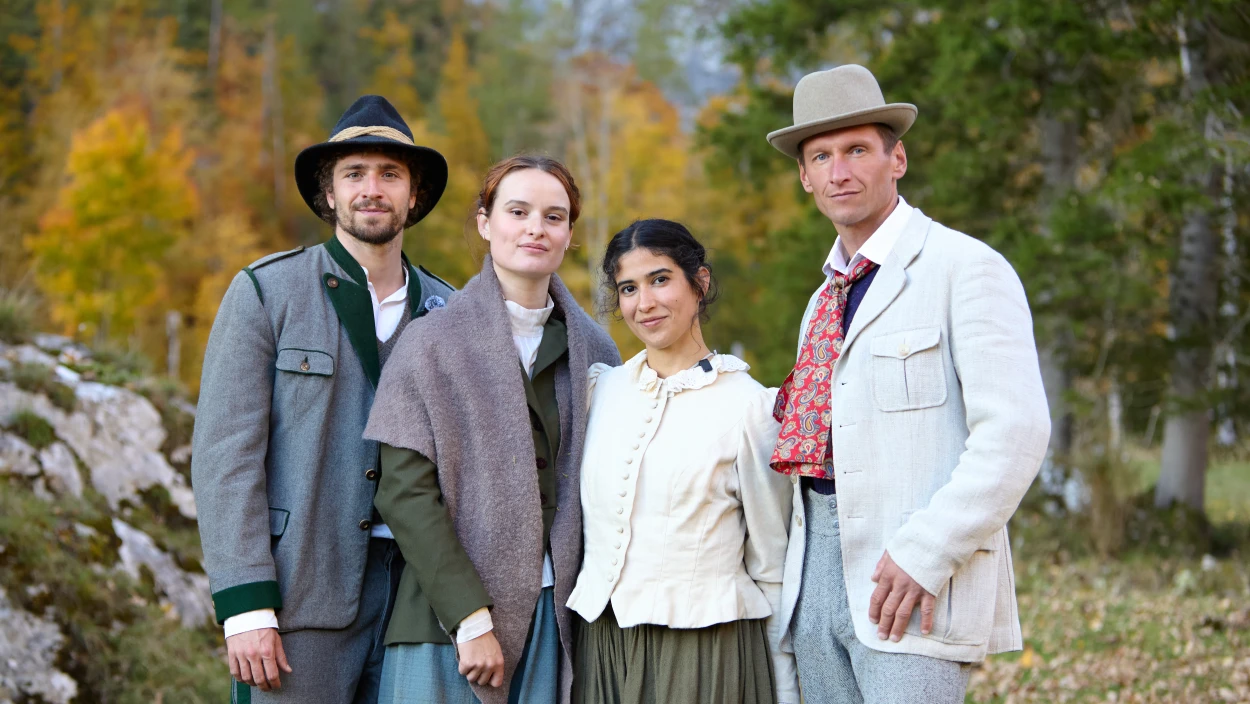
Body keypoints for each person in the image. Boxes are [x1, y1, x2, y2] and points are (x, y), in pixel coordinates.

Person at [764, 64, 1051, 702]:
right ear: (805, 177)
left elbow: (1017, 431)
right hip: (813, 578)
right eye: (822, 156)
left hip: (912, 582)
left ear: (897, 159)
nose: (840, 171)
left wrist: (927, 552)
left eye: (858, 149)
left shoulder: (966, 268)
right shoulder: (822, 300)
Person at [191, 95, 457, 703]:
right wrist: (246, 602)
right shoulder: (266, 291)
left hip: (420, 610)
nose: (373, 188)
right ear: (329, 194)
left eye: (391, 173)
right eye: (354, 173)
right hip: (298, 598)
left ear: (414, 195)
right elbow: (224, 457)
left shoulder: (451, 311)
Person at [363, 155, 621, 704]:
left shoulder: (597, 351)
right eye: (518, 211)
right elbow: (405, 493)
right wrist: (469, 617)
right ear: (485, 222)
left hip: (555, 620)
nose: (535, 228)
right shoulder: (430, 341)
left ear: (570, 233)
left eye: (554, 217)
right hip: (442, 623)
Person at [568, 219, 799, 704]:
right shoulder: (600, 391)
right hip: (604, 647)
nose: (644, 303)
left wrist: (784, 687)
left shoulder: (749, 407)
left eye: (660, 279)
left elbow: (773, 564)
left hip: (704, 655)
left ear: (701, 282)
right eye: (628, 288)